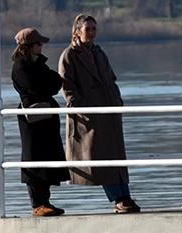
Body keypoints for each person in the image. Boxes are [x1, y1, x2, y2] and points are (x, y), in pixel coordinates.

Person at [57, 13, 141, 214]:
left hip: (109, 112)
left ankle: (125, 195)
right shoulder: (69, 55)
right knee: (101, 158)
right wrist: (82, 107)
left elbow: (111, 79)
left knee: (116, 157)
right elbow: (66, 87)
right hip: (91, 116)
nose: (92, 33)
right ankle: (118, 198)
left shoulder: (99, 52)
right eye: (88, 29)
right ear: (78, 31)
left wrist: (116, 102)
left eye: (95, 29)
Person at [11, 27, 67, 218]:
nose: (41, 47)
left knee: (48, 158)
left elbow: (55, 82)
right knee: (33, 159)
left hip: (46, 118)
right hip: (33, 119)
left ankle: (45, 201)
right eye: (38, 44)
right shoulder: (20, 67)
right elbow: (38, 85)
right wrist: (48, 83)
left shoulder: (38, 65)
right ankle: (37, 203)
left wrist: (49, 83)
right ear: (29, 46)